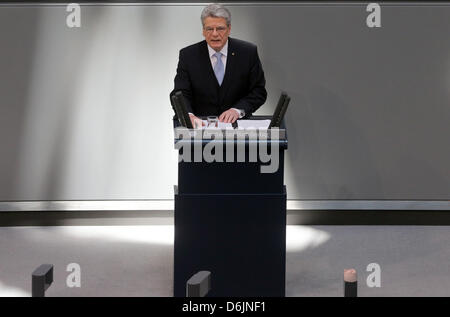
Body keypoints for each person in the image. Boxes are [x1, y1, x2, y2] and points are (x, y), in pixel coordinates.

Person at [170, 3, 267, 127]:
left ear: (229, 29)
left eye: (220, 28)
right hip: (199, 130)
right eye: (209, 29)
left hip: (237, 130)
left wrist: (237, 110)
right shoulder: (188, 55)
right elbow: (180, 93)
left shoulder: (247, 53)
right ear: (203, 31)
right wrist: (188, 115)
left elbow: (258, 91)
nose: (215, 34)